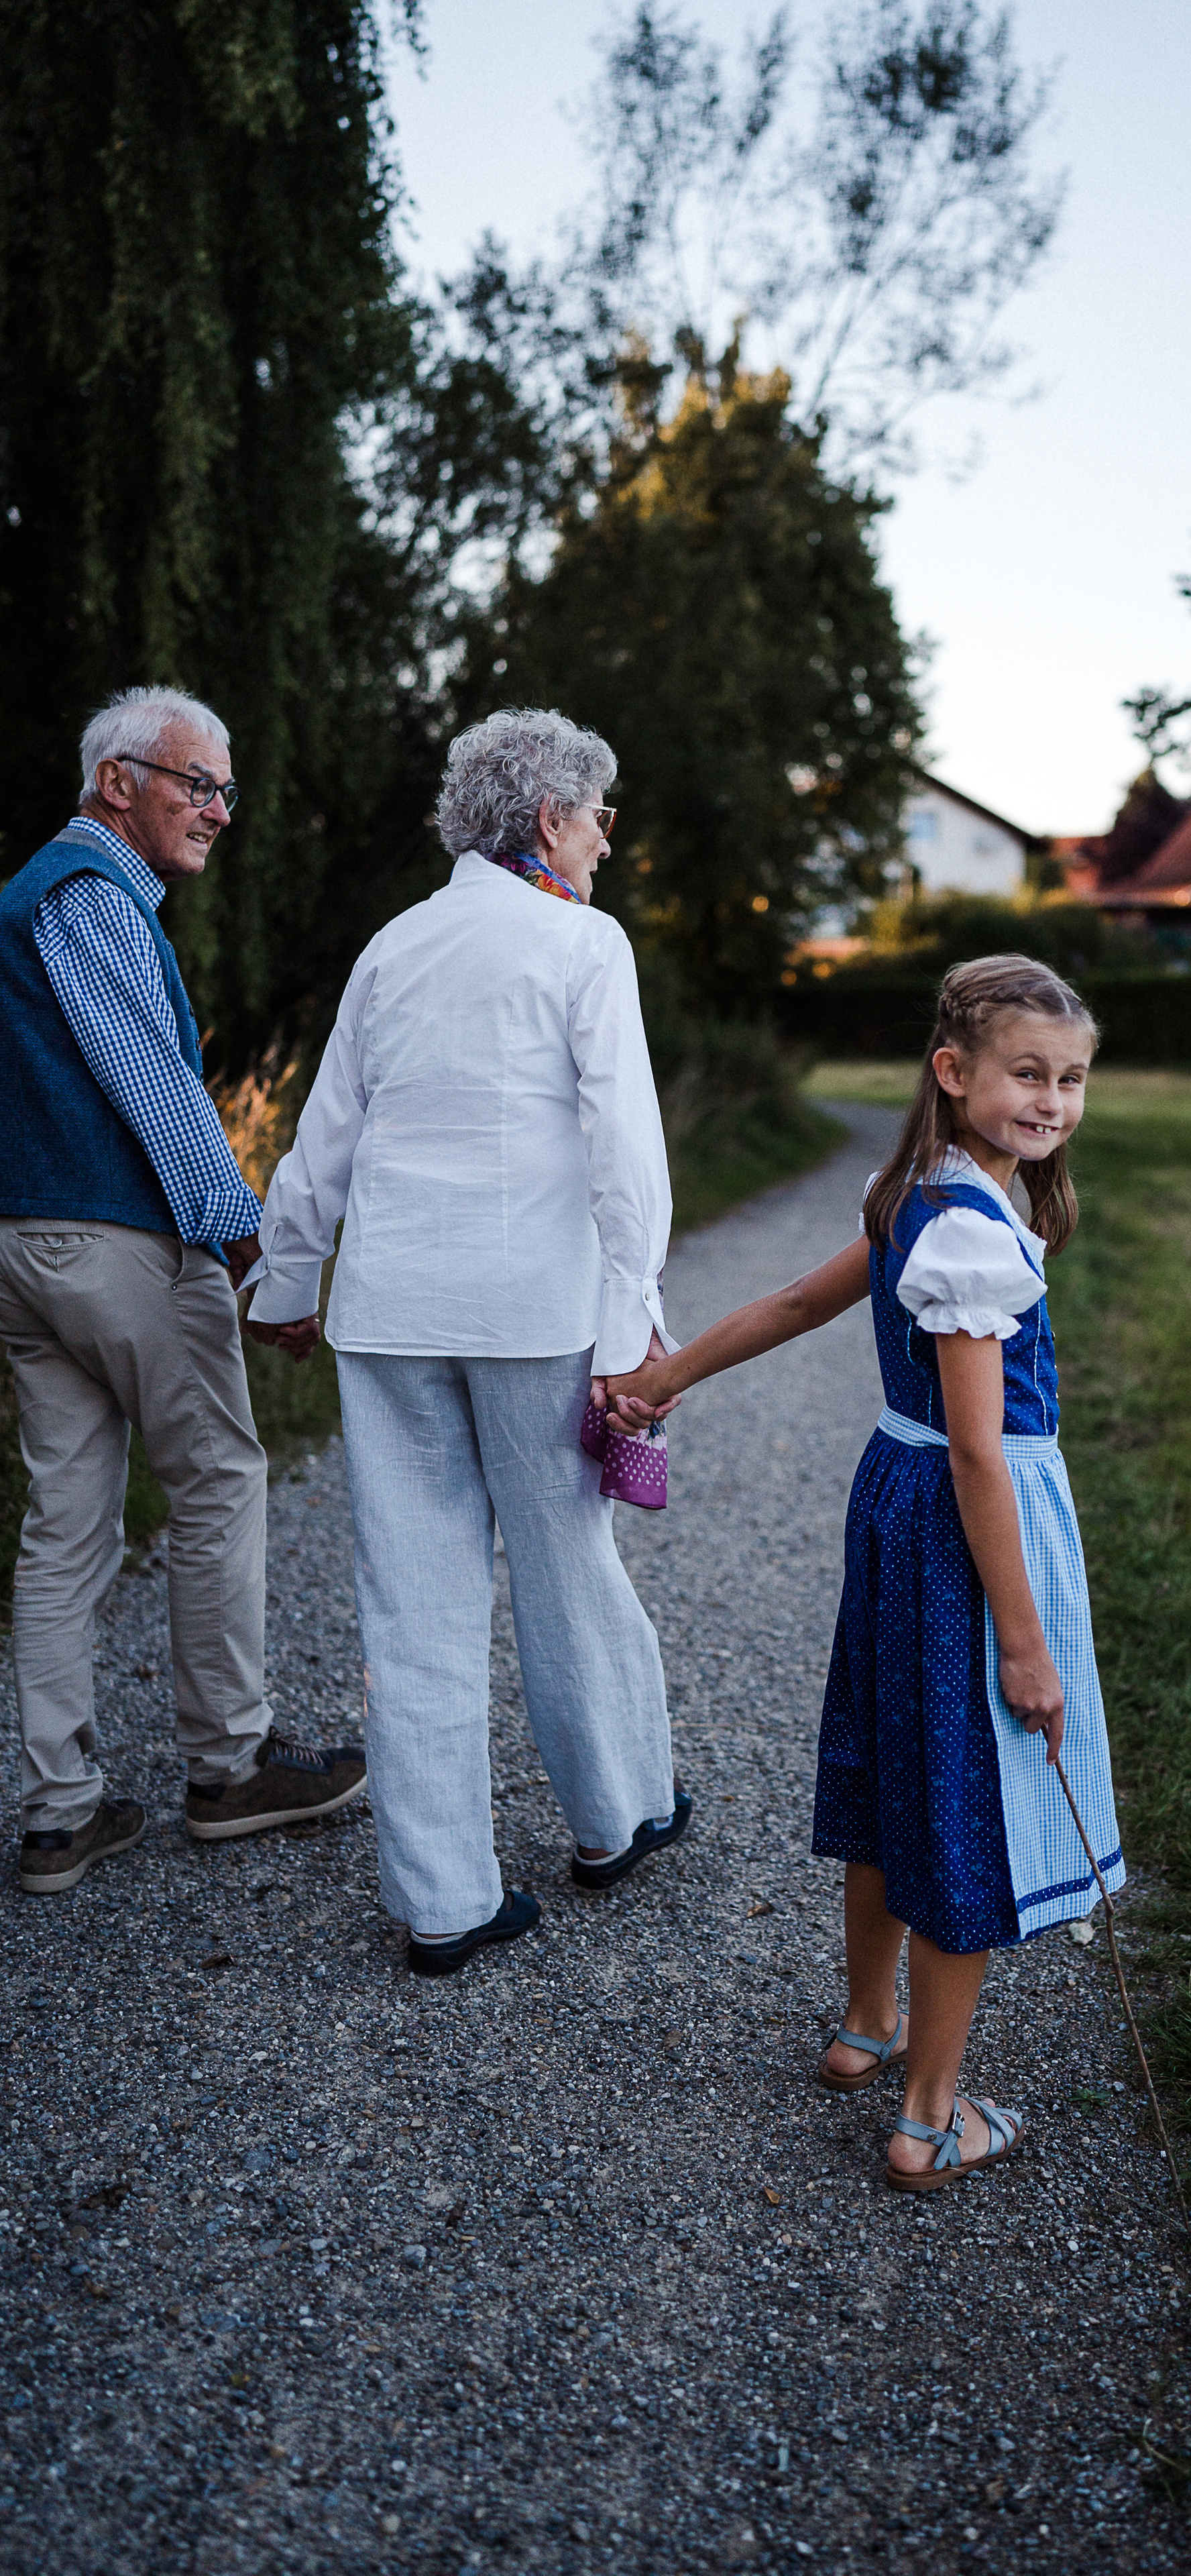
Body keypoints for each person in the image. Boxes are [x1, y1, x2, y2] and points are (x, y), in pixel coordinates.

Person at [606, 953, 1125, 2188]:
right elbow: (981, 1458)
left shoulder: (918, 1196)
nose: (1051, 1102)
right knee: (969, 1803)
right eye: (1025, 1075)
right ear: (953, 1074)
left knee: (900, 1756)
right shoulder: (971, 1238)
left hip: (897, 1506)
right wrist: (1026, 1640)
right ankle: (930, 2119)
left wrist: (660, 1379)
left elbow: (792, 1304)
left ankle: (864, 2028)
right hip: (960, 1526)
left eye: (1073, 1080)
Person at [243, 708, 689, 1978]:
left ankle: (442, 1900)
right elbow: (627, 1157)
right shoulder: (582, 944)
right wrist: (631, 1322)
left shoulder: (395, 944)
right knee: (567, 1567)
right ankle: (614, 1822)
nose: (608, 836)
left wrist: (285, 1284)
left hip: (388, 1316)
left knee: (414, 1597)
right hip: (534, 1316)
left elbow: (325, 1137)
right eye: (600, 812)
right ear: (550, 817)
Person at [0, 687, 367, 1896]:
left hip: (22, 1246)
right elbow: (150, 1087)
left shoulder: (30, 902)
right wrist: (257, 1248)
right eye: (195, 784)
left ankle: (60, 1815)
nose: (219, 810)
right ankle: (230, 1767)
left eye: (225, 790)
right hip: (113, 1240)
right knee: (217, 1478)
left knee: (67, 1520)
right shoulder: (87, 894)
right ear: (119, 782)